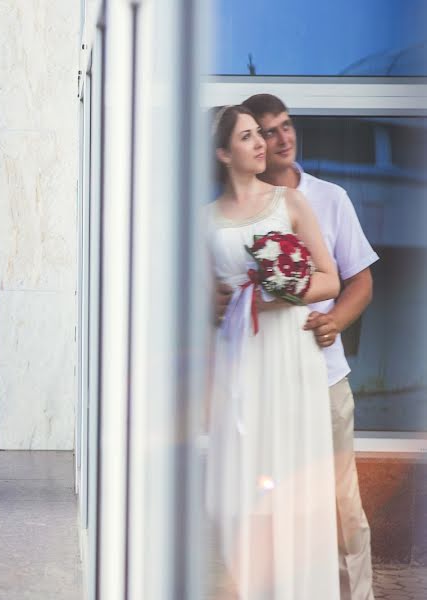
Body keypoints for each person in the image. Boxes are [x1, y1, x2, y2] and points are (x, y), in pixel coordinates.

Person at [239, 93, 378, 600]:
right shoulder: (241, 208)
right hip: (268, 382)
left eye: (286, 126)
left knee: (343, 502)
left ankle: (355, 595)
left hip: (325, 380)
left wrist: (335, 320)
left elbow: (359, 282)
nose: (282, 138)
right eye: (268, 131)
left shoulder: (330, 198)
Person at [207, 105, 341, 599]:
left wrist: (281, 289)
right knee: (239, 488)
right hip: (239, 361)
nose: (262, 142)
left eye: (260, 134)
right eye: (247, 137)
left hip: (289, 355)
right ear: (223, 153)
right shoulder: (204, 221)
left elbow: (329, 279)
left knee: (291, 475)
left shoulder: (290, 203)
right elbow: (204, 301)